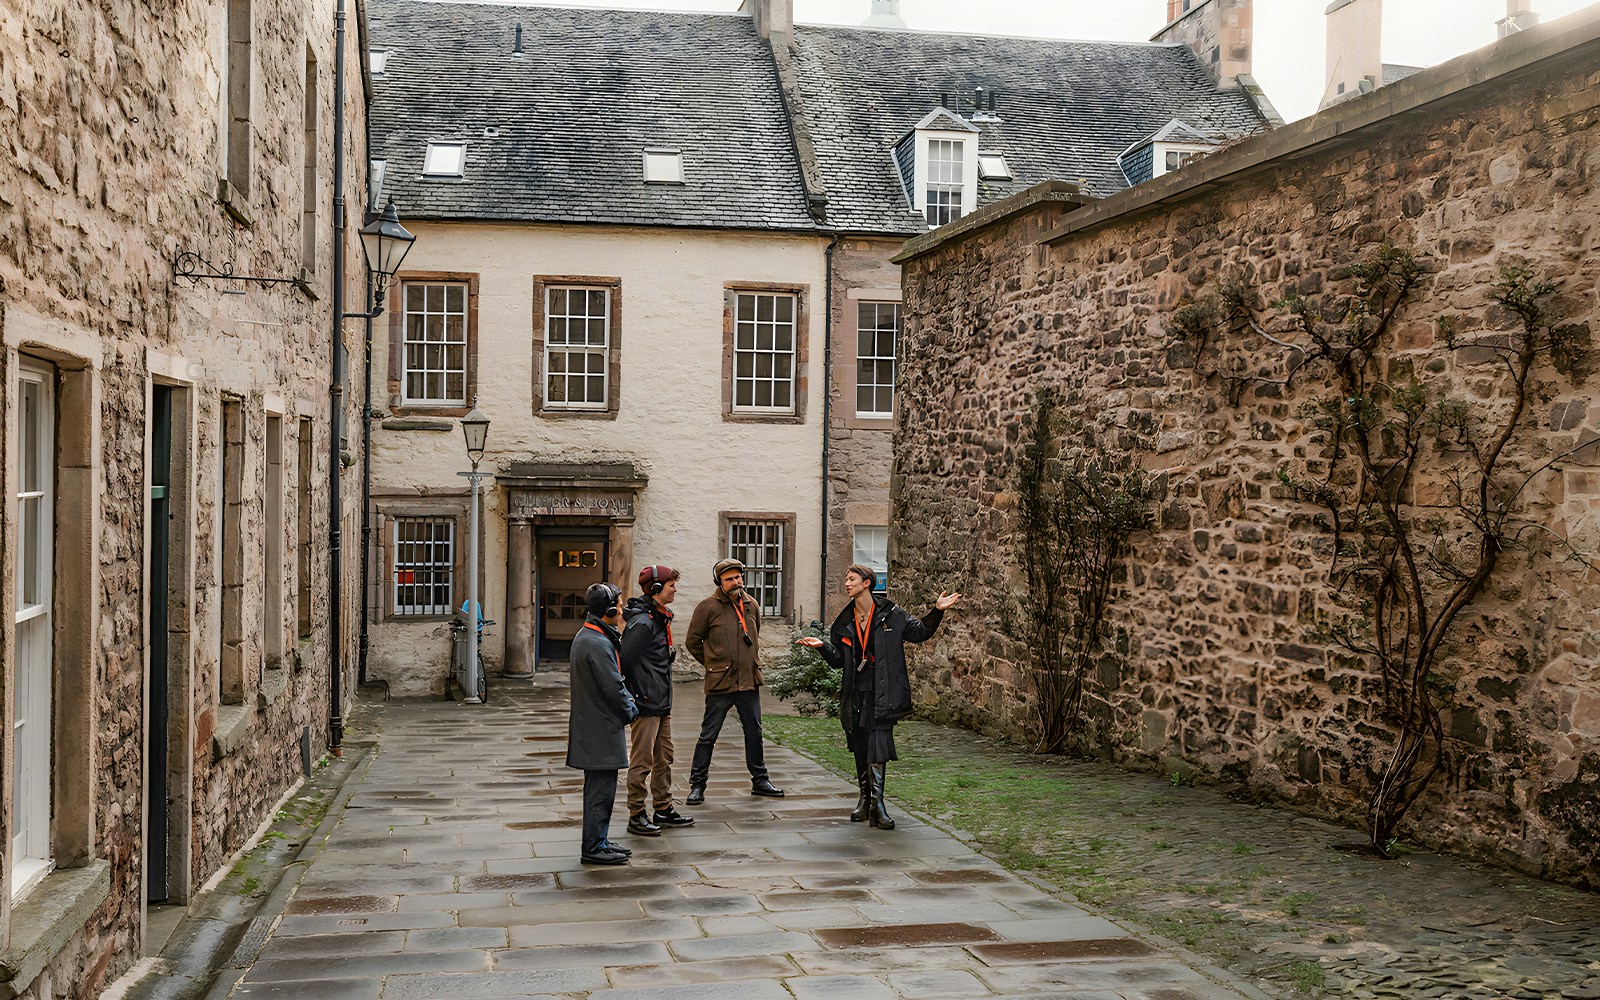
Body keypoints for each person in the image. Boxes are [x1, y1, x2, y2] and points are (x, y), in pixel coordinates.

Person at [796, 565, 961, 829]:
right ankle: (864, 799)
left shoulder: (890, 614)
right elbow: (839, 661)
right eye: (847, 579)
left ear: (866, 583)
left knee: (879, 742)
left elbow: (918, 632)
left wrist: (937, 611)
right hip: (856, 690)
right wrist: (823, 647)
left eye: (851, 580)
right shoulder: (844, 622)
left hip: (882, 690)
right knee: (860, 743)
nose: (847, 584)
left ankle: (878, 803)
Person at [683, 558, 784, 804]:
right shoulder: (707, 607)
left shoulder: (752, 605)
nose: (736, 582)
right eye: (730, 579)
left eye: (738, 577)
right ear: (720, 582)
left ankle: (760, 781)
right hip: (721, 683)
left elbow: (754, 634)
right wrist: (713, 664)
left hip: (749, 681)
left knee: (754, 733)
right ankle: (697, 785)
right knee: (708, 735)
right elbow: (692, 642)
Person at [620, 564, 695, 836]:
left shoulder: (658, 617)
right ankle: (636, 814)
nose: (676, 589)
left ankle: (663, 808)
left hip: (661, 702)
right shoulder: (643, 623)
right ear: (656, 589)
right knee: (642, 762)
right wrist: (637, 693)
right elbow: (624, 661)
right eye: (672, 585)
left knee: (664, 758)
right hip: (646, 702)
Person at [566, 581, 637, 865]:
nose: (621, 609)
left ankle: (601, 839)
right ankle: (594, 846)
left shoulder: (592, 636)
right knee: (600, 791)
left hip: (596, 725)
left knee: (602, 788)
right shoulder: (595, 642)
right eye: (618, 605)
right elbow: (613, 686)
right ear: (608, 610)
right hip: (599, 727)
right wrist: (632, 709)